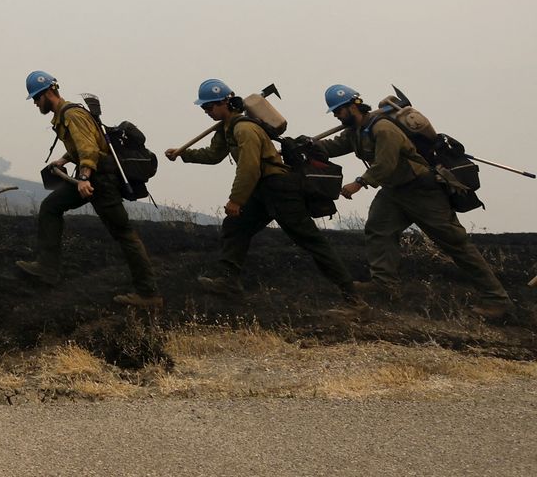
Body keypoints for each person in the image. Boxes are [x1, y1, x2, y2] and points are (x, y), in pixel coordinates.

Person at [313, 84, 512, 317]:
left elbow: (385, 165)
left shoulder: (383, 128)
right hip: (395, 192)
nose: (336, 115)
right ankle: (383, 285)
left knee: (455, 243)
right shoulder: (356, 131)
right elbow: (333, 146)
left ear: (352, 107)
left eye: (338, 110)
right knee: (379, 229)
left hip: (422, 190)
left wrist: (359, 183)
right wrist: (308, 145)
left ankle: (497, 300)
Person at [168, 78, 360, 307]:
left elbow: (249, 167)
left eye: (209, 107)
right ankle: (228, 281)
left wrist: (236, 200)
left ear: (225, 103)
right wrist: (183, 155)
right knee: (235, 227)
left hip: (278, 187)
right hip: (262, 189)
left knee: (311, 241)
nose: (206, 111)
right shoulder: (227, 129)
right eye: (204, 108)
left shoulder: (245, 129)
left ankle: (353, 299)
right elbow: (213, 155)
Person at [14, 70, 160, 308]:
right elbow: (82, 145)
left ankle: (149, 294)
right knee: (50, 207)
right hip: (92, 176)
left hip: (100, 181)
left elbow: (90, 150)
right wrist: (64, 159)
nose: (35, 103)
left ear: (49, 92)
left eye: (36, 98)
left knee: (124, 234)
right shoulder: (66, 115)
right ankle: (46, 270)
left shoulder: (72, 115)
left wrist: (83, 178)